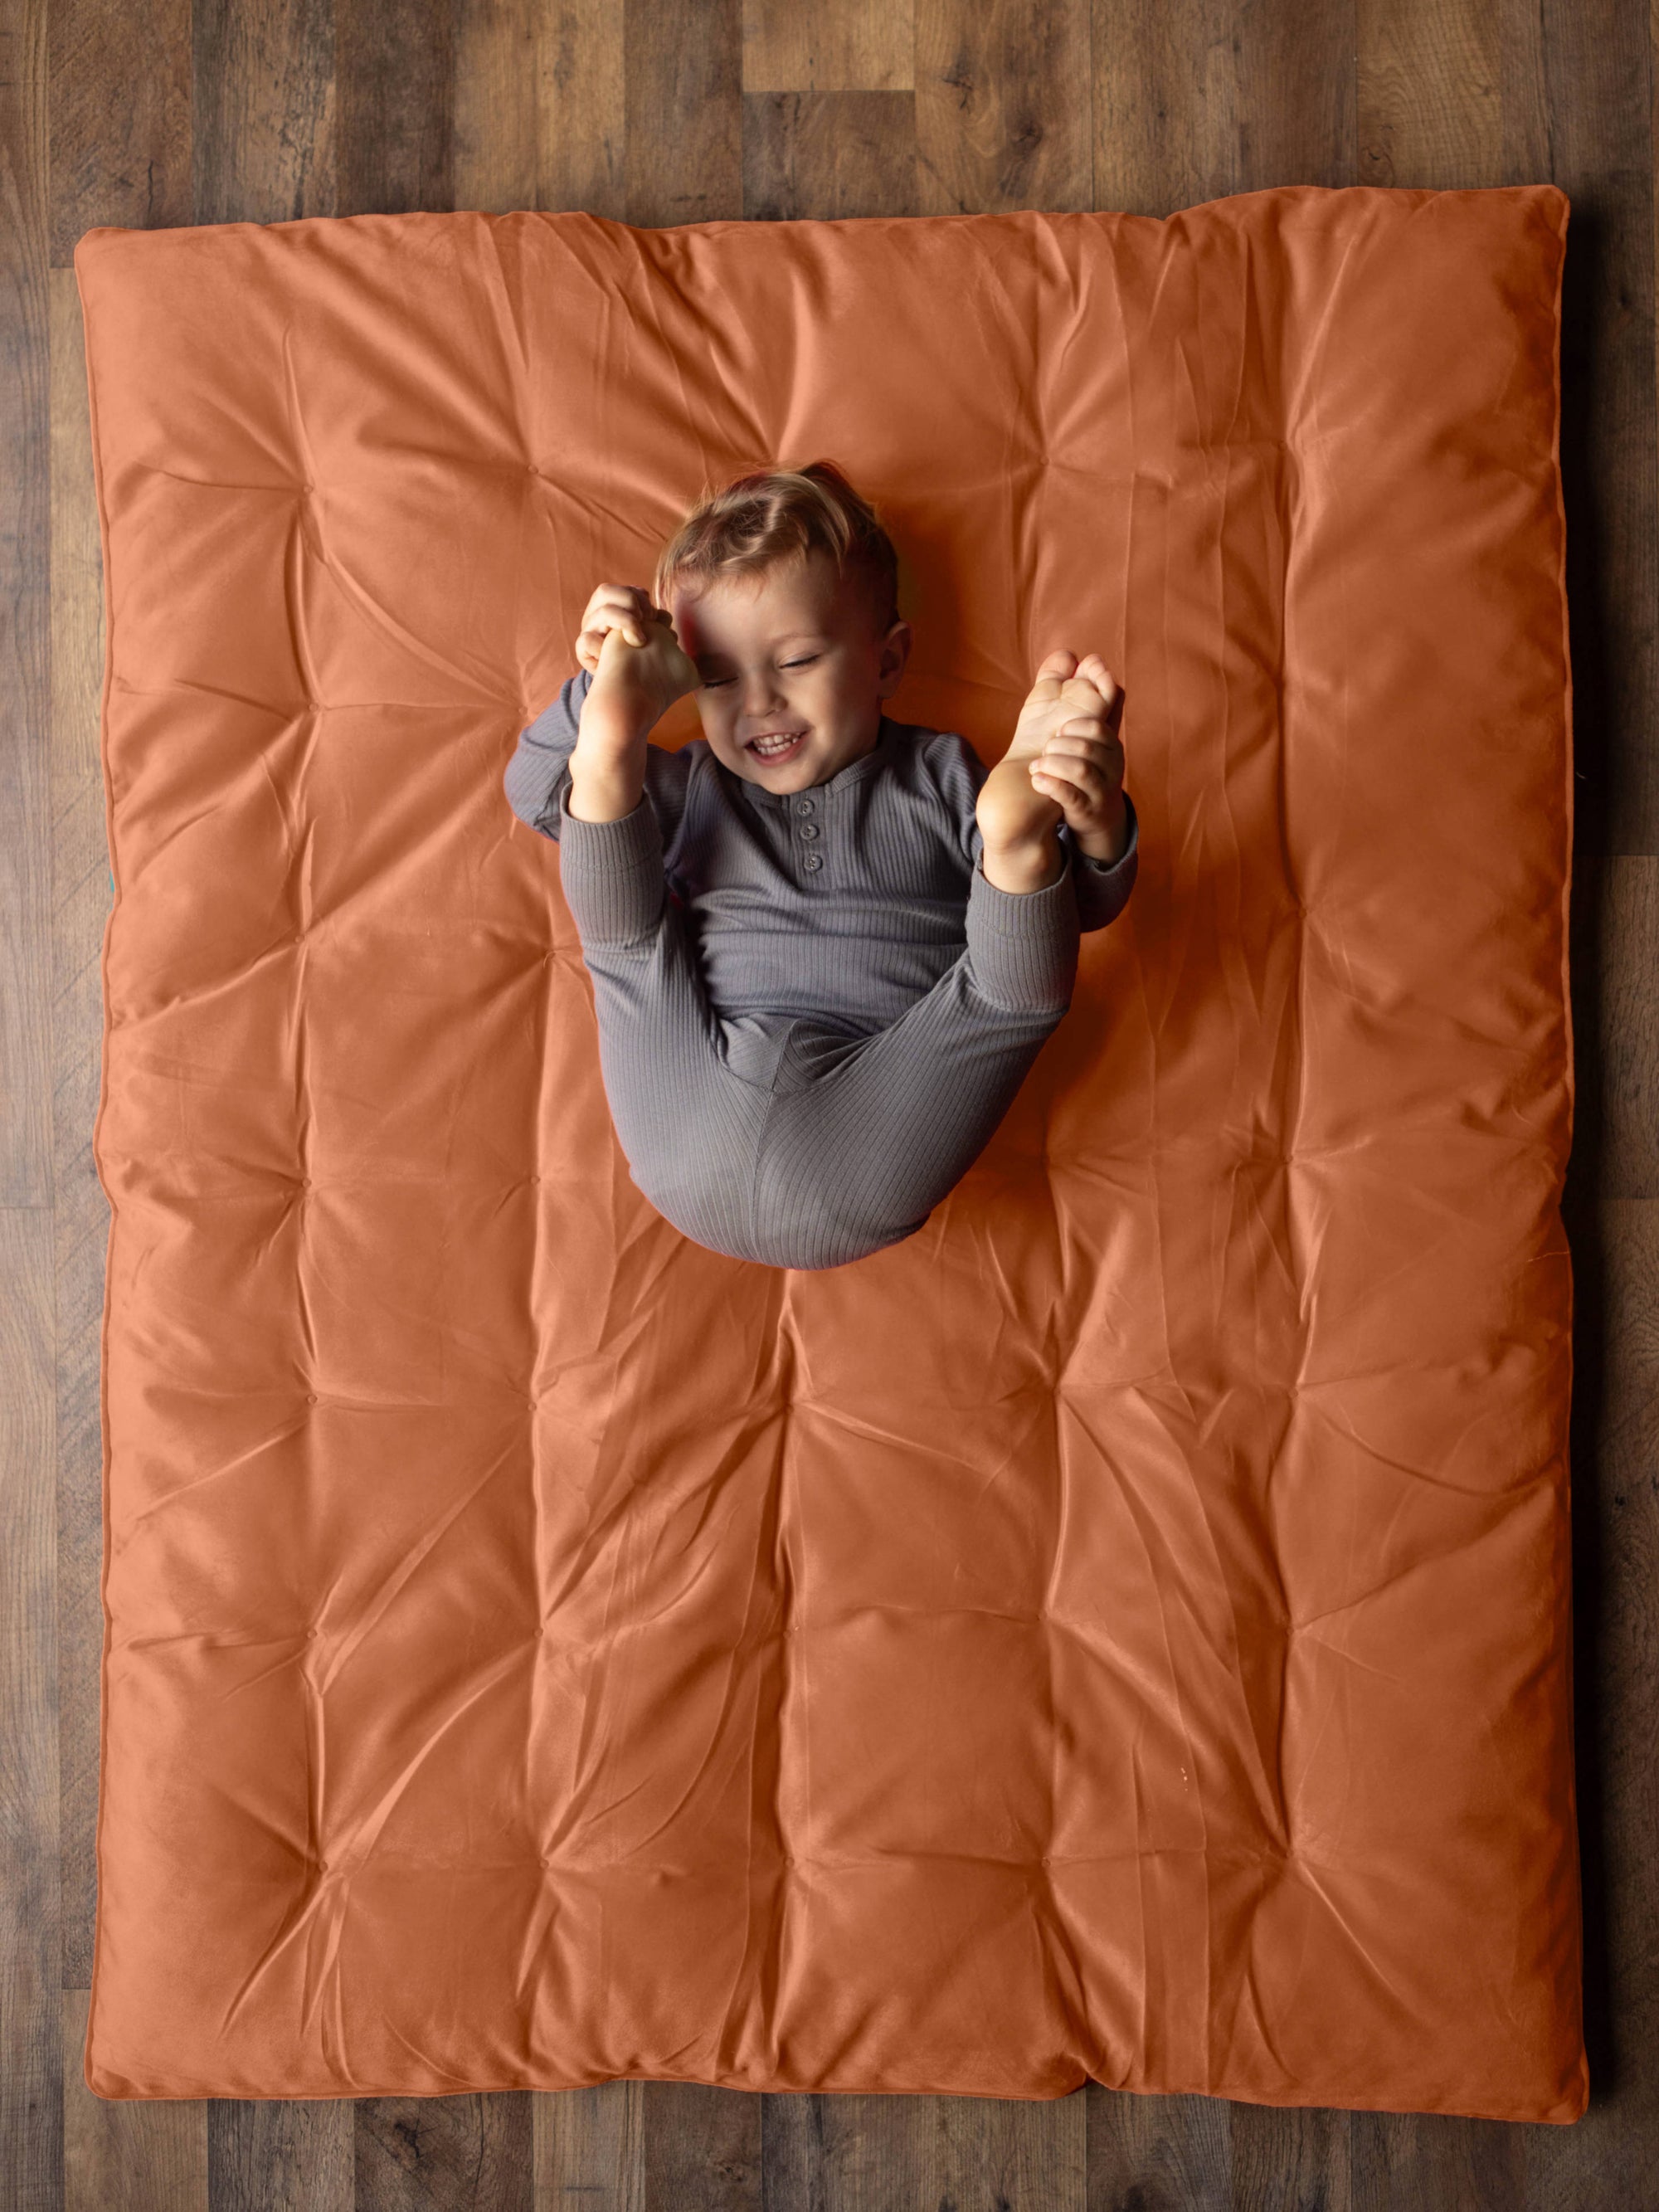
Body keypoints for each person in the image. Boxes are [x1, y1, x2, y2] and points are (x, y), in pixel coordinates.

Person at [502, 459, 1139, 1269]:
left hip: (878, 1111)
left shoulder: (944, 777)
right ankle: (609, 741)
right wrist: (596, 686)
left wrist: (1090, 816)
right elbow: (533, 793)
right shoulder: (694, 783)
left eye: (797, 661)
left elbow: (1077, 904)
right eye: (717, 676)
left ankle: (1016, 838)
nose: (759, 702)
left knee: (1015, 989)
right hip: (687, 1099)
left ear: (886, 662)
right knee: (623, 924)